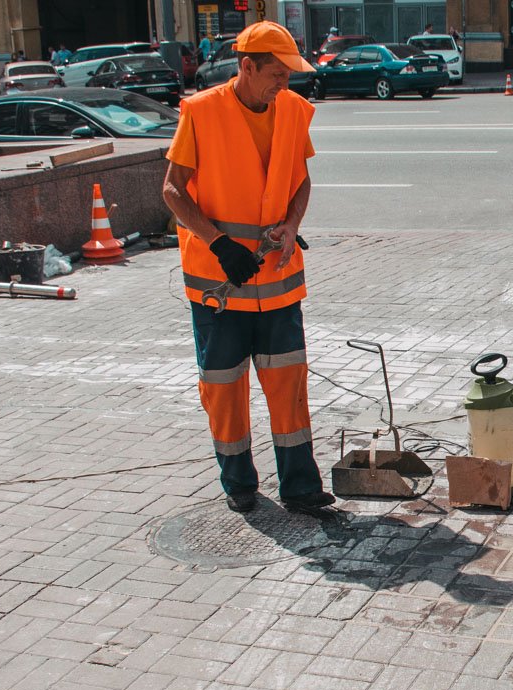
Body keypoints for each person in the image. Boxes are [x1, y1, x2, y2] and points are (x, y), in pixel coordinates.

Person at [161, 21, 335, 515]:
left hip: (277, 278)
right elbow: (172, 190)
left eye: (289, 74)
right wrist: (219, 243)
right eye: (276, 73)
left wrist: (292, 223)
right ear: (247, 67)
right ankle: (238, 483)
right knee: (223, 389)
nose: (284, 83)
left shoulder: (294, 110)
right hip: (219, 283)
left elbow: (301, 180)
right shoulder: (202, 111)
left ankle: (300, 488)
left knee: (288, 387)